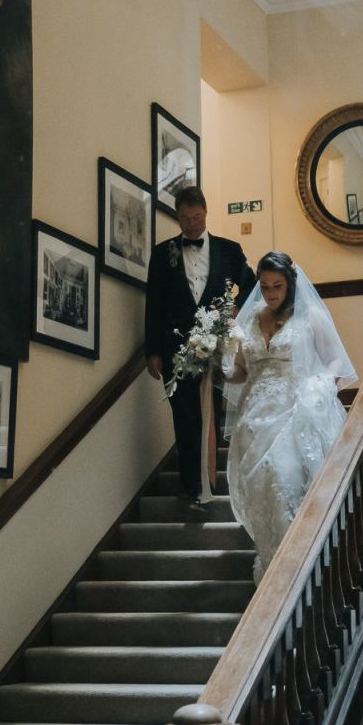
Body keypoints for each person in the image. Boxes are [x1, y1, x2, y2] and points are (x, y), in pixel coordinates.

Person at [223, 251, 357, 582]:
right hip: (254, 417)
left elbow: (336, 361)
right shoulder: (250, 319)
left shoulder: (310, 315)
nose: (270, 293)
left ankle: (297, 567)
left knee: (282, 478)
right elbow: (241, 370)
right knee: (260, 490)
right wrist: (218, 365)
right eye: (265, 286)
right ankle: (273, 564)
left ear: (291, 283)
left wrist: (322, 385)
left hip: (294, 412)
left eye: (277, 286)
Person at [145, 186, 256, 505]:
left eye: (196, 217)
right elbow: (153, 303)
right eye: (184, 218)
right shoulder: (162, 253)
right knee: (183, 415)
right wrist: (152, 350)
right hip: (174, 348)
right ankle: (190, 487)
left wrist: (232, 311)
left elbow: (250, 285)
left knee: (209, 413)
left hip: (215, 346)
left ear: (206, 213)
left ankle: (210, 481)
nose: (191, 224)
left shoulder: (229, 250)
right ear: (177, 217)